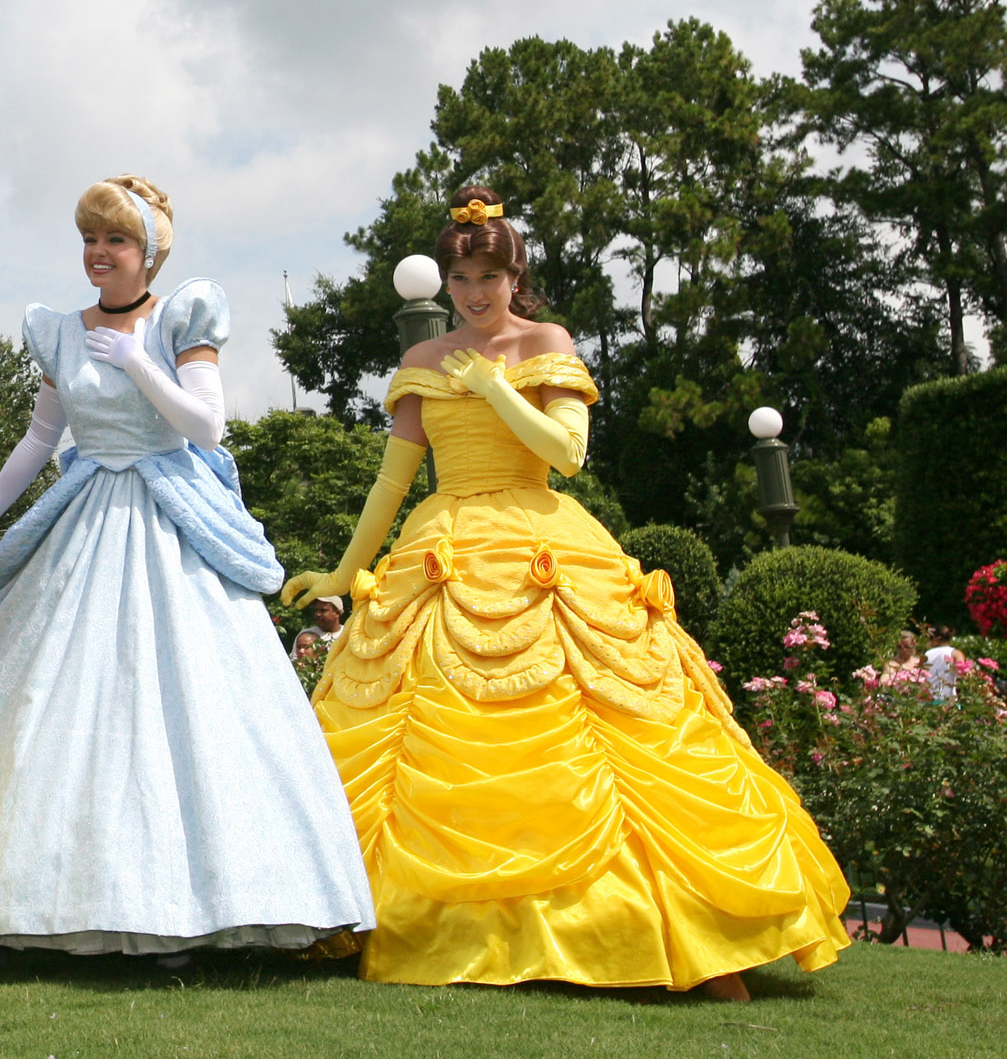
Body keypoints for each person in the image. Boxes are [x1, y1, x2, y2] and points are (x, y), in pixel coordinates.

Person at [283, 186, 851, 997]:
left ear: (516, 276)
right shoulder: (419, 364)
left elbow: (567, 453)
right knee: (419, 724)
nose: (475, 294)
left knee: (606, 725)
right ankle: (406, 919)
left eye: (488, 277)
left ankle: (684, 931)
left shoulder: (545, 341)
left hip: (542, 536)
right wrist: (344, 571)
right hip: (442, 543)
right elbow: (392, 477)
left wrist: (494, 387)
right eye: (461, 279)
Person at [0, 177, 374, 966]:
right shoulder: (58, 330)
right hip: (82, 519)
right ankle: (10, 904)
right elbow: (38, 442)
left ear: (147, 252)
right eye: (89, 239)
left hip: (169, 518)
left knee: (181, 708)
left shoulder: (183, 316)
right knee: (52, 703)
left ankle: (183, 908)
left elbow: (208, 427)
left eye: (114, 241)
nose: (97, 254)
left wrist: (141, 364)